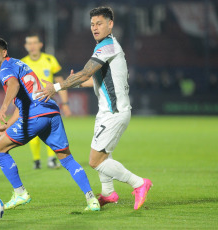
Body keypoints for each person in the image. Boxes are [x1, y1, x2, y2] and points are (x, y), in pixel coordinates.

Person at [36, 6, 152, 210]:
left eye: (99, 23)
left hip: (114, 113)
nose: (95, 28)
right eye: (92, 24)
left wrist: (55, 87)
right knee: (103, 153)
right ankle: (108, 193)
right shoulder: (105, 46)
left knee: (95, 160)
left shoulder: (107, 47)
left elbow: (84, 73)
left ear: (111, 24)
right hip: (106, 112)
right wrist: (76, 82)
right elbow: (96, 80)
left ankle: (139, 183)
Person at [0, 37, 99, 211]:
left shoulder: (5, 69)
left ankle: (20, 193)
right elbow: (23, 102)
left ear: (4, 53)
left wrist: (3, 107)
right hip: (51, 111)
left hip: (36, 115)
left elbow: (13, 86)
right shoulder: (19, 64)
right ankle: (92, 199)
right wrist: (7, 126)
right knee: (67, 158)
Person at [21, 33, 72, 169]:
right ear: (26, 46)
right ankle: (36, 161)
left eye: (34, 43)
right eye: (29, 43)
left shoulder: (50, 60)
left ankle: (51, 159)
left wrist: (65, 103)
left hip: (49, 101)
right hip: (30, 103)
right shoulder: (22, 63)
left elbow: (60, 83)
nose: (32, 46)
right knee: (33, 132)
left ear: (40, 45)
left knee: (51, 130)